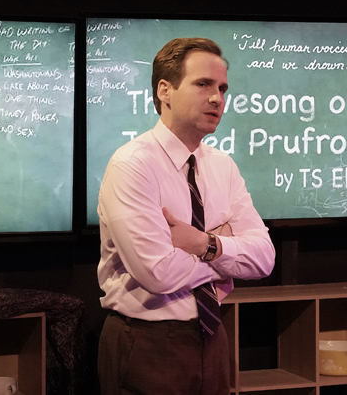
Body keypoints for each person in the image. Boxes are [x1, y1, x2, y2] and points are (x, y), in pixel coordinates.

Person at [97, 37, 275, 394]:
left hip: (213, 335)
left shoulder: (223, 166)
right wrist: (226, 252)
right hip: (148, 342)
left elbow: (264, 259)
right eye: (203, 84)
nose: (217, 98)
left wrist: (203, 244)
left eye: (222, 88)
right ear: (165, 90)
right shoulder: (132, 165)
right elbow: (158, 273)